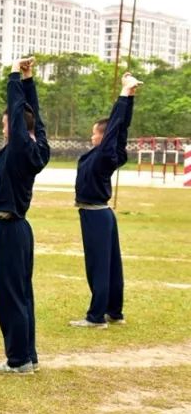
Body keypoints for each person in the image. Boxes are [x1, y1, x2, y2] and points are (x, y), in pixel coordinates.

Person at [0, 57, 50, 374]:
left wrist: (14, 76)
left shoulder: (19, 150)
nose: (3, 127)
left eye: (6, 124)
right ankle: (28, 354)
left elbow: (20, 116)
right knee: (22, 294)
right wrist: (28, 81)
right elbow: (34, 121)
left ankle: (19, 359)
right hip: (19, 230)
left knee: (10, 295)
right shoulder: (36, 149)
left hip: (9, 230)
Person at [70, 72, 141, 329]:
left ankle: (96, 316)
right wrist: (130, 98)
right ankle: (114, 311)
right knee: (111, 265)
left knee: (99, 265)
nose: (92, 137)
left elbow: (115, 130)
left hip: (95, 215)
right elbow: (121, 131)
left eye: (94, 134)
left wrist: (124, 95)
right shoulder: (106, 155)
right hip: (102, 215)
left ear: (102, 135)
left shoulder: (104, 155)